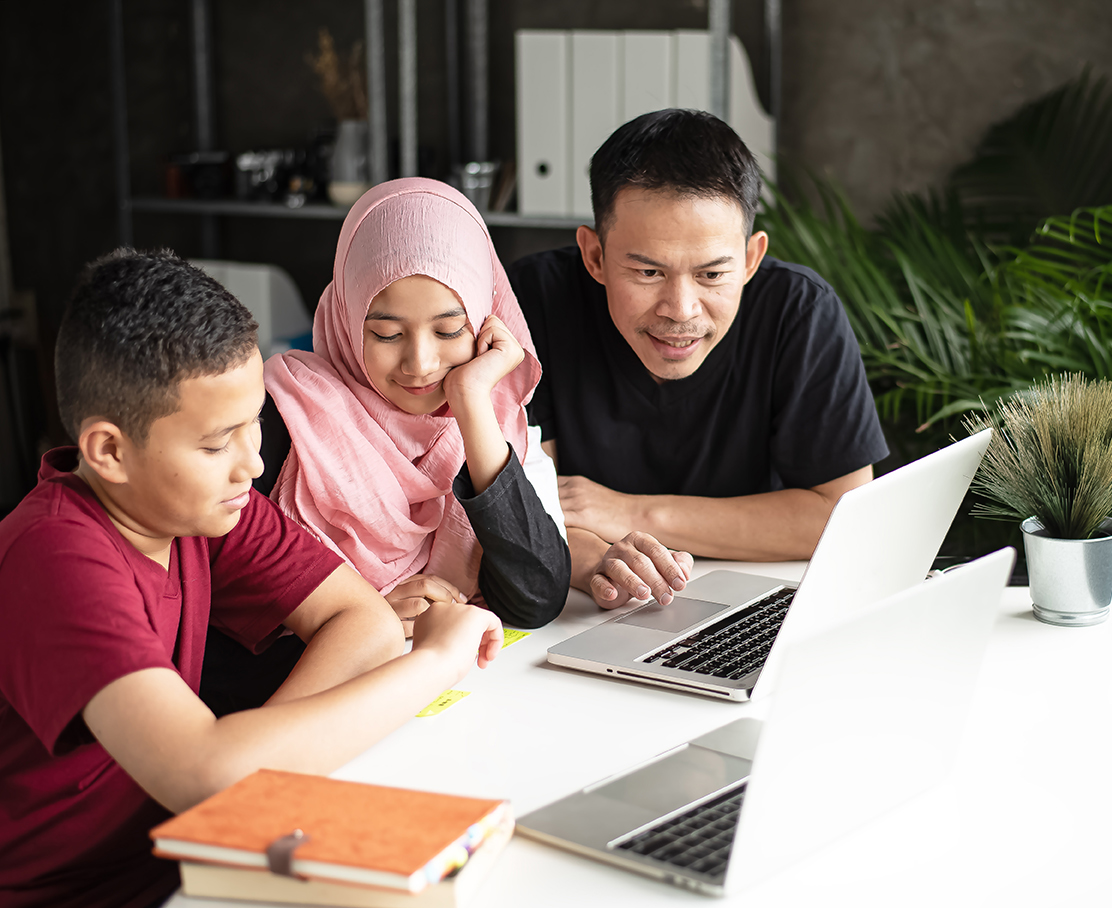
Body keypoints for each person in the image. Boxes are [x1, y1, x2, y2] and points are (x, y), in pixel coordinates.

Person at [0, 249, 503, 908]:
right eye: (216, 443)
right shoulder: (54, 557)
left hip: (203, 856)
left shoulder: (197, 506)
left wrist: (249, 766)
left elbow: (368, 625)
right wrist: (440, 660)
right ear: (110, 451)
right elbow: (205, 773)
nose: (253, 462)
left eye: (252, 425)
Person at [509, 109, 889, 610]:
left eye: (712, 275)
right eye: (647, 272)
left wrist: (632, 513)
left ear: (751, 259)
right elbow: (536, 509)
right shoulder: (532, 302)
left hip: (759, 603)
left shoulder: (798, 311)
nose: (680, 310)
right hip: (589, 602)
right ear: (595, 256)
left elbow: (842, 515)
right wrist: (595, 560)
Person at [261, 179, 570, 636]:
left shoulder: (498, 425)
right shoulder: (281, 419)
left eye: (448, 332)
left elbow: (537, 597)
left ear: (487, 318)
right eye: (386, 334)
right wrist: (363, 616)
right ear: (346, 319)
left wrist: (470, 402)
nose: (420, 364)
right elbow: (222, 610)